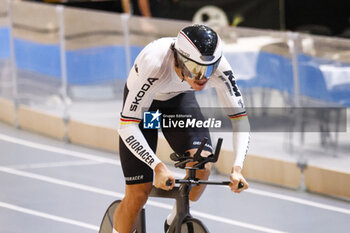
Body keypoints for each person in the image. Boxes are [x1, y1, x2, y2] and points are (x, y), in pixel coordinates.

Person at [114, 24, 250, 233]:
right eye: (196, 69)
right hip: (145, 109)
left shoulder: (220, 66)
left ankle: (175, 220)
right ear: (179, 58)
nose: (202, 78)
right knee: (139, 193)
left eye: (209, 69)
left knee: (202, 166)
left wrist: (237, 168)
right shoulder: (155, 63)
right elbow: (127, 126)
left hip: (178, 102)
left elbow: (240, 119)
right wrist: (158, 167)